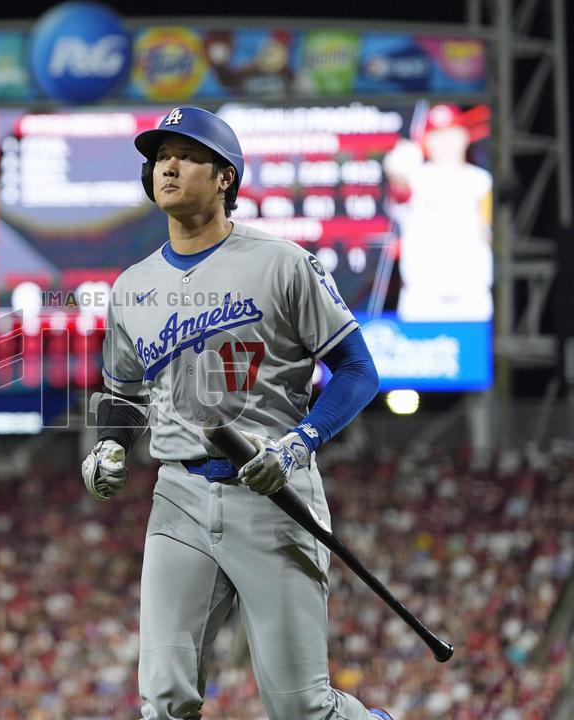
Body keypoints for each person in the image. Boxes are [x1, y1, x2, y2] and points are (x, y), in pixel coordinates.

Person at [81, 106, 393, 720]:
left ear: (225, 176)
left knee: (303, 709)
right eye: (160, 157)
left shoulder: (282, 262)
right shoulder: (131, 287)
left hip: (272, 491)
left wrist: (300, 442)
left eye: (188, 154)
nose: (168, 165)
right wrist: (110, 445)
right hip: (177, 498)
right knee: (164, 701)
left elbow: (359, 371)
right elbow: (121, 393)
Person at [383, 103, 493, 322]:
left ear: (464, 135)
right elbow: (399, 188)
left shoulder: (481, 181)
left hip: (470, 297)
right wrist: (398, 167)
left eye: (450, 133)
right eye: (436, 135)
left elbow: (488, 232)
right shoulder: (414, 176)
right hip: (422, 299)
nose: (445, 142)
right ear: (426, 141)